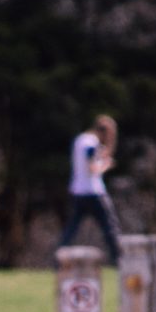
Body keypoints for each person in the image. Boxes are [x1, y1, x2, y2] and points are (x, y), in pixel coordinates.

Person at [57, 114, 123, 267]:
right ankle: (119, 260)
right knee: (110, 228)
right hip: (94, 192)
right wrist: (106, 166)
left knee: (71, 229)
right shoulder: (91, 143)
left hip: (77, 191)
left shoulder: (80, 140)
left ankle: (58, 260)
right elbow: (92, 168)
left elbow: (99, 156)